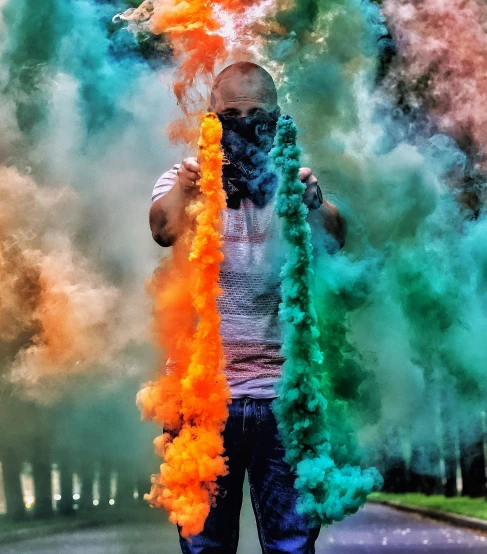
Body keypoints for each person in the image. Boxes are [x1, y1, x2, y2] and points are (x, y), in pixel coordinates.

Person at [149, 61, 346, 554]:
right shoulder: (185, 180)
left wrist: (315, 202)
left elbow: (336, 238)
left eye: (256, 113)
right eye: (231, 114)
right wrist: (186, 191)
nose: (244, 123)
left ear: (278, 118)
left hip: (283, 402)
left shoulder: (294, 181)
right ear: (211, 119)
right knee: (206, 548)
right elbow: (161, 229)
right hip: (203, 407)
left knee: (291, 547)